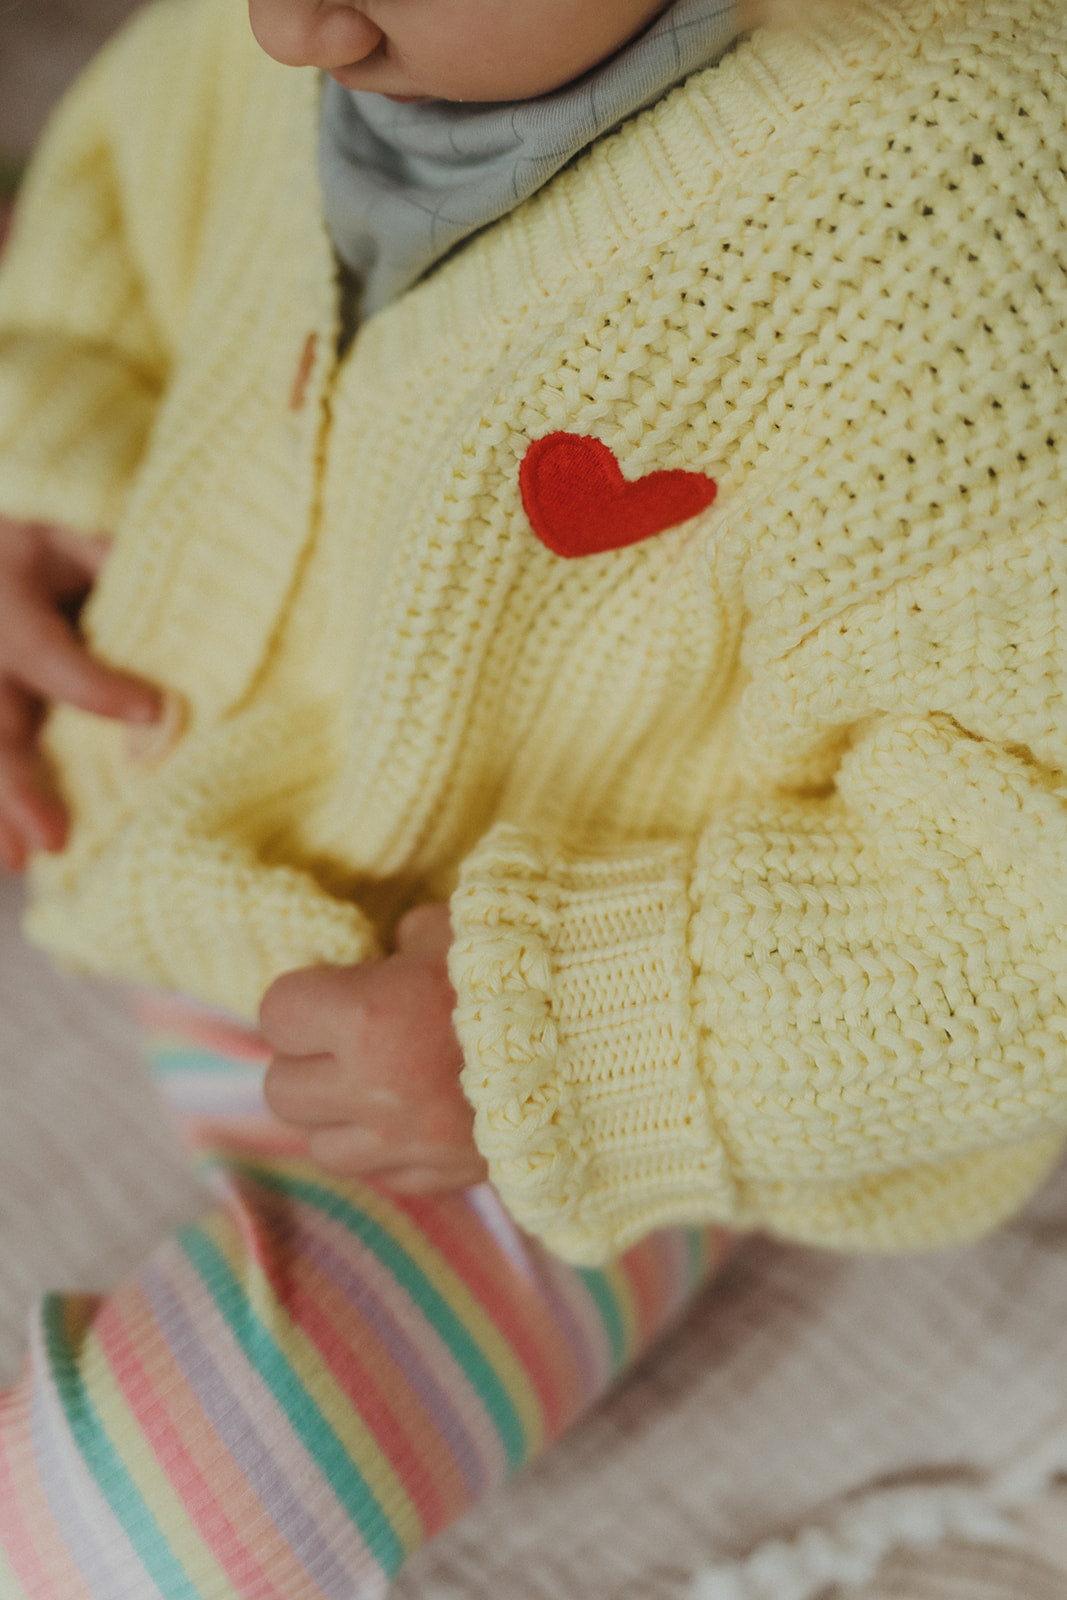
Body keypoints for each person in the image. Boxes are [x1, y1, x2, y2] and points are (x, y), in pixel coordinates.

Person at [0, 0, 1064, 1591]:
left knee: (168, 1522)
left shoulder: (976, 201)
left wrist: (555, 1044)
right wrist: (44, 473)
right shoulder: (306, 33)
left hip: (518, 1083)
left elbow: (1021, 897)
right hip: (155, 797)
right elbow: (126, 218)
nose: (293, 29)